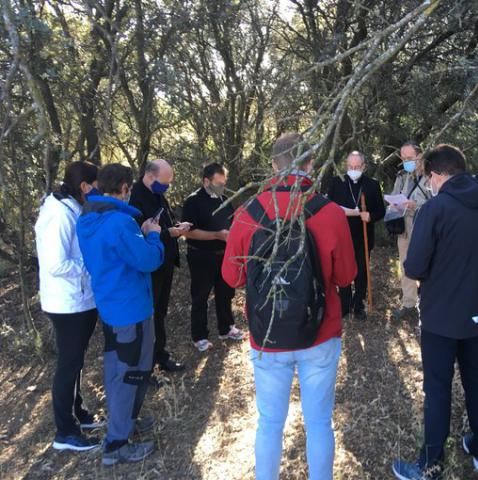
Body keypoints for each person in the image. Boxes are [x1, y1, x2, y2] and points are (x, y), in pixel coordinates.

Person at [222, 132, 357, 480]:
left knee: (269, 423)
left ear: (273, 165)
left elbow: (232, 277)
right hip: (320, 332)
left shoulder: (248, 213)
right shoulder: (328, 212)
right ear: (310, 164)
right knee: (318, 424)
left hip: (268, 335)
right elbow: (345, 276)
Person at [392, 145, 478, 479]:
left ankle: (430, 464)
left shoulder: (436, 210)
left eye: (430, 178)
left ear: (436, 175)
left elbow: (414, 266)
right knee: (476, 378)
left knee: (438, 388)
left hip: (440, 317)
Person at [77, 164, 164, 465]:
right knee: (132, 374)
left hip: (111, 306)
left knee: (118, 371)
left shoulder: (88, 218)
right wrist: (152, 235)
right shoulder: (118, 223)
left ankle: (124, 423)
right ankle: (116, 445)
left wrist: (136, 235)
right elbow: (149, 260)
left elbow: (113, 255)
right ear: (125, 188)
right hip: (132, 310)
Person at [34, 161, 102, 452]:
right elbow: (56, 265)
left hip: (80, 299)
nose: (99, 192)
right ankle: (65, 431)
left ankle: (78, 414)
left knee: (76, 362)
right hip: (67, 303)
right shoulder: (57, 215)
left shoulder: (72, 207)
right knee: (68, 365)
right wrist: (92, 262)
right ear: (85, 187)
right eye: (97, 187)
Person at [129, 159, 190, 372]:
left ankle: (160, 356)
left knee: (160, 312)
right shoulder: (134, 198)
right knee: (149, 314)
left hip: (165, 262)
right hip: (150, 266)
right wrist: (168, 233)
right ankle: (148, 365)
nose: (167, 186)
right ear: (150, 176)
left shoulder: (157, 194)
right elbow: (140, 234)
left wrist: (176, 227)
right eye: (165, 182)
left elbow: (162, 221)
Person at [181, 163, 243, 352]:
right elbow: (188, 233)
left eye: (223, 183)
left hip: (223, 255)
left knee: (225, 292)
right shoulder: (192, 201)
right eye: (217, 183)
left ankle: (226, 327)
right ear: (206, 181)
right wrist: (216, 235)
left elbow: (232, 224)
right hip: (201, 255)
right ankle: (199, 336)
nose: (221, 187)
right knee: (200, 296)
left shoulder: (224, 200)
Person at [326, 151, 385, 319]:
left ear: (364, 167)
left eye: (357, 167)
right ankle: (344, 304)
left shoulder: (372, 185)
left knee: (361, 271)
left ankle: (358, 305)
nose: (353, 169)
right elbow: (329, 207)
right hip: (342, 235)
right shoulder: (337, 183)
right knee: (343, 270)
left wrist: (371, 216)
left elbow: (380, 210)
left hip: (364, 235)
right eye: (350, 166)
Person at [390, 141, 431, 320]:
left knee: (427, 264)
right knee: (405, 264)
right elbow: (394, 196)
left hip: (424, 225)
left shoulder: (429, 175)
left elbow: (437, 202)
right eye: (404, 158)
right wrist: (394, 204)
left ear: (419, 156)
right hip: (404, 226)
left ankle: (429, 303)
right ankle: (408, 303)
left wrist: (416, 205)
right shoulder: (401, 175)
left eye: (410, 158)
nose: (406, 161)